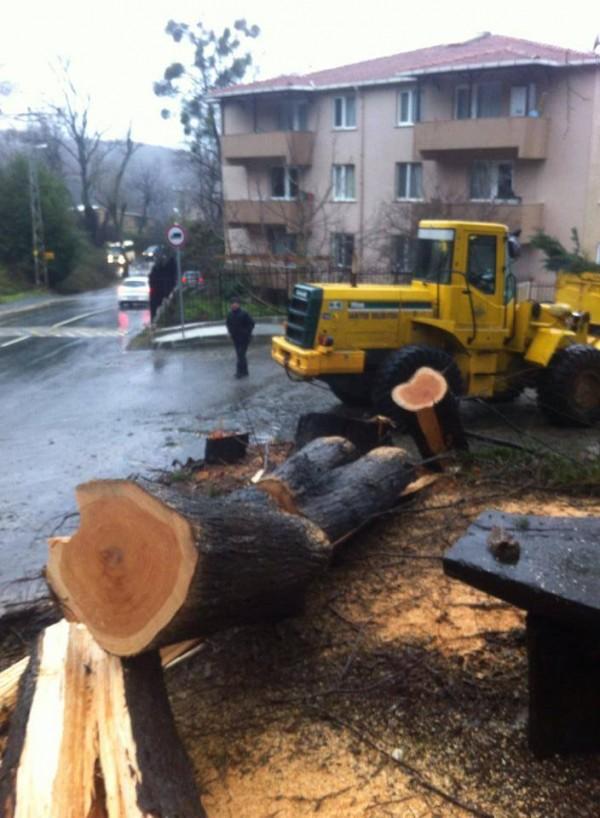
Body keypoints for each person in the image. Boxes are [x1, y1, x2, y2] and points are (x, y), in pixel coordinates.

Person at [226, 299, 255, 378]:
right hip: (235, 338)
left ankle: (239, 372)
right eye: (232, 304)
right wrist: (230, 332)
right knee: (240, 355)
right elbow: (228, 324)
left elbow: (252, 323)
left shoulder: (244, 313)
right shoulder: (230, 314)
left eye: (235, 304)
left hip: (244, 338)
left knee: (240, 354)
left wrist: (246, 332)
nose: (233, 305)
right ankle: (245, 371)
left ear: (238, 305)